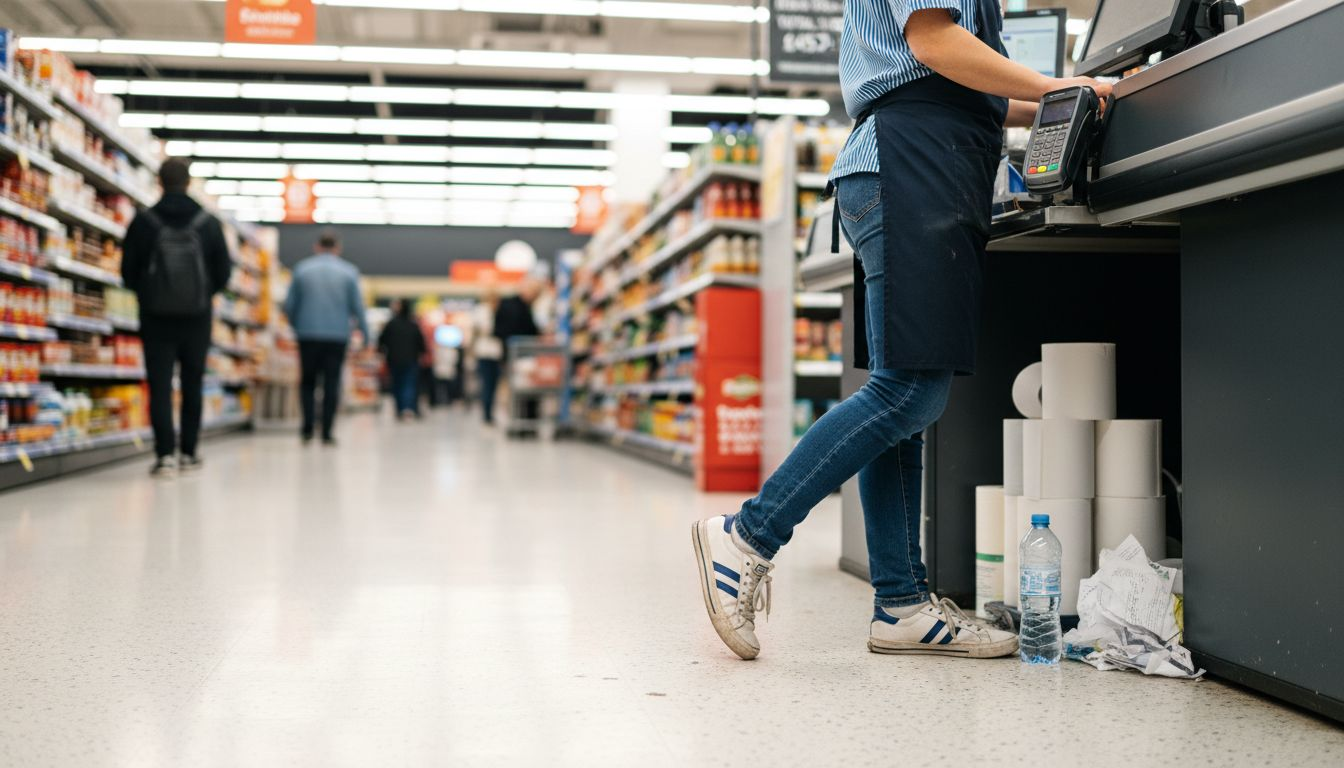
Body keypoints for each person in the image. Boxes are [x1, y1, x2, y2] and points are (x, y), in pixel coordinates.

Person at [691, 0, 1113, 661]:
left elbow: (961, 78)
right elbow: (934, 43)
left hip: (911, 161)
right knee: (910, 392)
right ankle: (749, 534)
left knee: (901, 403)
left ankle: (901, 605)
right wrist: (1056, 86)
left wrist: (1066, 101)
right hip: (914, 162)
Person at [121, 157, 233, 477]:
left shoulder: (143, 221)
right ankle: (189, 453)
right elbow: (224, 273)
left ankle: (164, 456)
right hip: (196, 318)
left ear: (159, 182)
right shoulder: (208, 223)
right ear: (188, 182)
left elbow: (127, 272)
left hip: (155, 317)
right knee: (192, 384)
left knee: (160, 386)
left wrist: (150, 293)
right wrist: (202, 294)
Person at [283, 229, 369, 445]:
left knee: (308, 382)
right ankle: (327, 432)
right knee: (331, 383)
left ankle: (307, 429)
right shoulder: (349, 272)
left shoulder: (302, 269)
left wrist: (296, 325)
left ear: (317, 247)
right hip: (337, 336)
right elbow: (358, 308)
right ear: (338, 248)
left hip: (307, 335)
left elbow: (289, 305)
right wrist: (366, 336)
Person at [494, 279, 542, 426]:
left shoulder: (512, 304)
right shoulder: (515, 306)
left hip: (514, 354)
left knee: (520, 389)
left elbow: (497, 330)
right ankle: (524, 421)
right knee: (524, 389)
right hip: (519, 355)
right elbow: (528, 330)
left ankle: (520, 421)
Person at [377, 299, 426, 420]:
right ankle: (408, 408)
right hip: (411, 360)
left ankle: (400, 409)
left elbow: (381, 341)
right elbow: (421, 344)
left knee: (397, 384)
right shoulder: (413, 325)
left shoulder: (391, 324)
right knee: (409, 384)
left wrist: (382, 352)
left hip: (394, 360)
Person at [471, 288, 504, 425]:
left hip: (495, 353)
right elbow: (483, 329)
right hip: (485, 353)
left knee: (492, 385)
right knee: (487, 384)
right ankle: (487, 414)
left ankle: (489, 413)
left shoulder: (498, 310)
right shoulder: (482, 310)